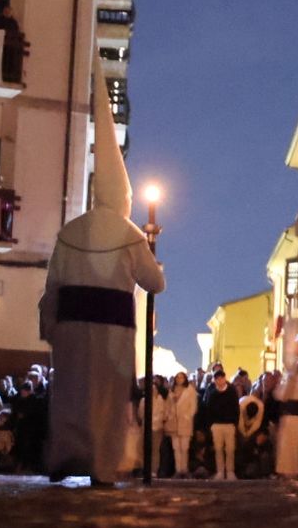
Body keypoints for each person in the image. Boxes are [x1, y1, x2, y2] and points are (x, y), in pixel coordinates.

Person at [40, 55, 164, 486]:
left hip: (72, 328)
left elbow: (52, 284)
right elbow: (155, 282)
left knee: (70, 395)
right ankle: (103, 468)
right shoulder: (130, 234)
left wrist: (49, 326)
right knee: (109, 400)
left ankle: (65, 458)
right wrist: (150, 246)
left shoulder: (70, 230)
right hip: (113, 332)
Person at [202, 368, 239, 480]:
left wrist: (234, 423)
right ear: (214, 380)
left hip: (229, 424)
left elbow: (236, 409)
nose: (219, 381)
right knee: (218, 449)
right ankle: (220, 471)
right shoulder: (212, 394)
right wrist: (211, 425)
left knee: (230, 449)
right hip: (216, 425)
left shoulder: (232, 392)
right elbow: (208, 410)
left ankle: (230, 471)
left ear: (224, 378)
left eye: (221, 378)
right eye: (217, 379)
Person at [167, 372, 197, 477]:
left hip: (185, 422)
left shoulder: (190, 390)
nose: (179, 379)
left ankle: (184, 469)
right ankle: (178, 469)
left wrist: (187, 416)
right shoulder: (171, 391)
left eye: (182, 377)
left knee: (184, 447)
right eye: (178, 377)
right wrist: (170, 415)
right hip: (174, 422)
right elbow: (168, 406)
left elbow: (193, 406)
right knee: (176, 448)